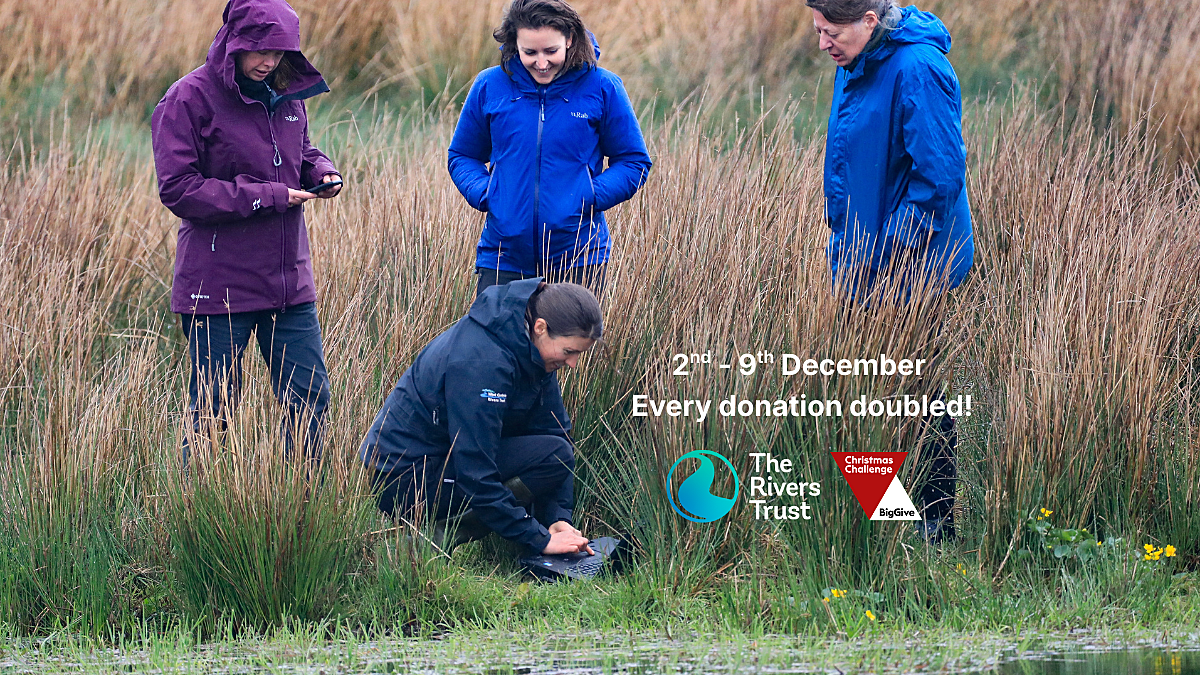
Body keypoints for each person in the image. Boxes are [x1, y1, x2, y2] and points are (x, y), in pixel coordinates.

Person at [808, 0, 975, 541]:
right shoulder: (856, 62)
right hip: (862, 258)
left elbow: (939, 180)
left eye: (831, 32)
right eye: (817, 31)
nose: (823, 44)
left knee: (916, 393)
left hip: (914, 264)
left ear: (870, 21)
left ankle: (934, 526)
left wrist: (885, 254)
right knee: (864, 389)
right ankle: (887, 523)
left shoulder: (917, 68)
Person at [151, 0, 343, 461]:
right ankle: (197, 517)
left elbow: (303, 150)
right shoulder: (187, 99)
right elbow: (179, 189)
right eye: (261, 52)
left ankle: (302, 506)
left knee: (310, 401)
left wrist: (321, 171)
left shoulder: (286, 93)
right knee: (215, 413)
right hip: (217, 286)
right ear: (235, 42)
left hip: (289, 285)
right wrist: (269, 195)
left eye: (280, 53)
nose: (270, 62)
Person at [361, 280, 600, 555]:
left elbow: (557, 437)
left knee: (555, 452)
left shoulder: (534, 352)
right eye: (569, 352)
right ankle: (433, 538)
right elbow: (475, 473)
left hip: (444, 461)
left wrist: (559, 518)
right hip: (404, 479)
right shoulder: (483, 363)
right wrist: (538, 539)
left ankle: (515, 531)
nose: (573, 364)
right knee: (529, 461)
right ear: (540, 328)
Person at [448, 0, 653, 299]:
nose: (541, 63)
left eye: (551, 51)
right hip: (502, 258)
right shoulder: (490, 85)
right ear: (514, 43)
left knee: (569, 347)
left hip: (579, 258)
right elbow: (462, 156)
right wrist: (488, 192)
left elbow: (633, 161)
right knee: (500, 347)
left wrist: (589, 196)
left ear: (569, 39)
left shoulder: (603, 87)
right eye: (530, 52)